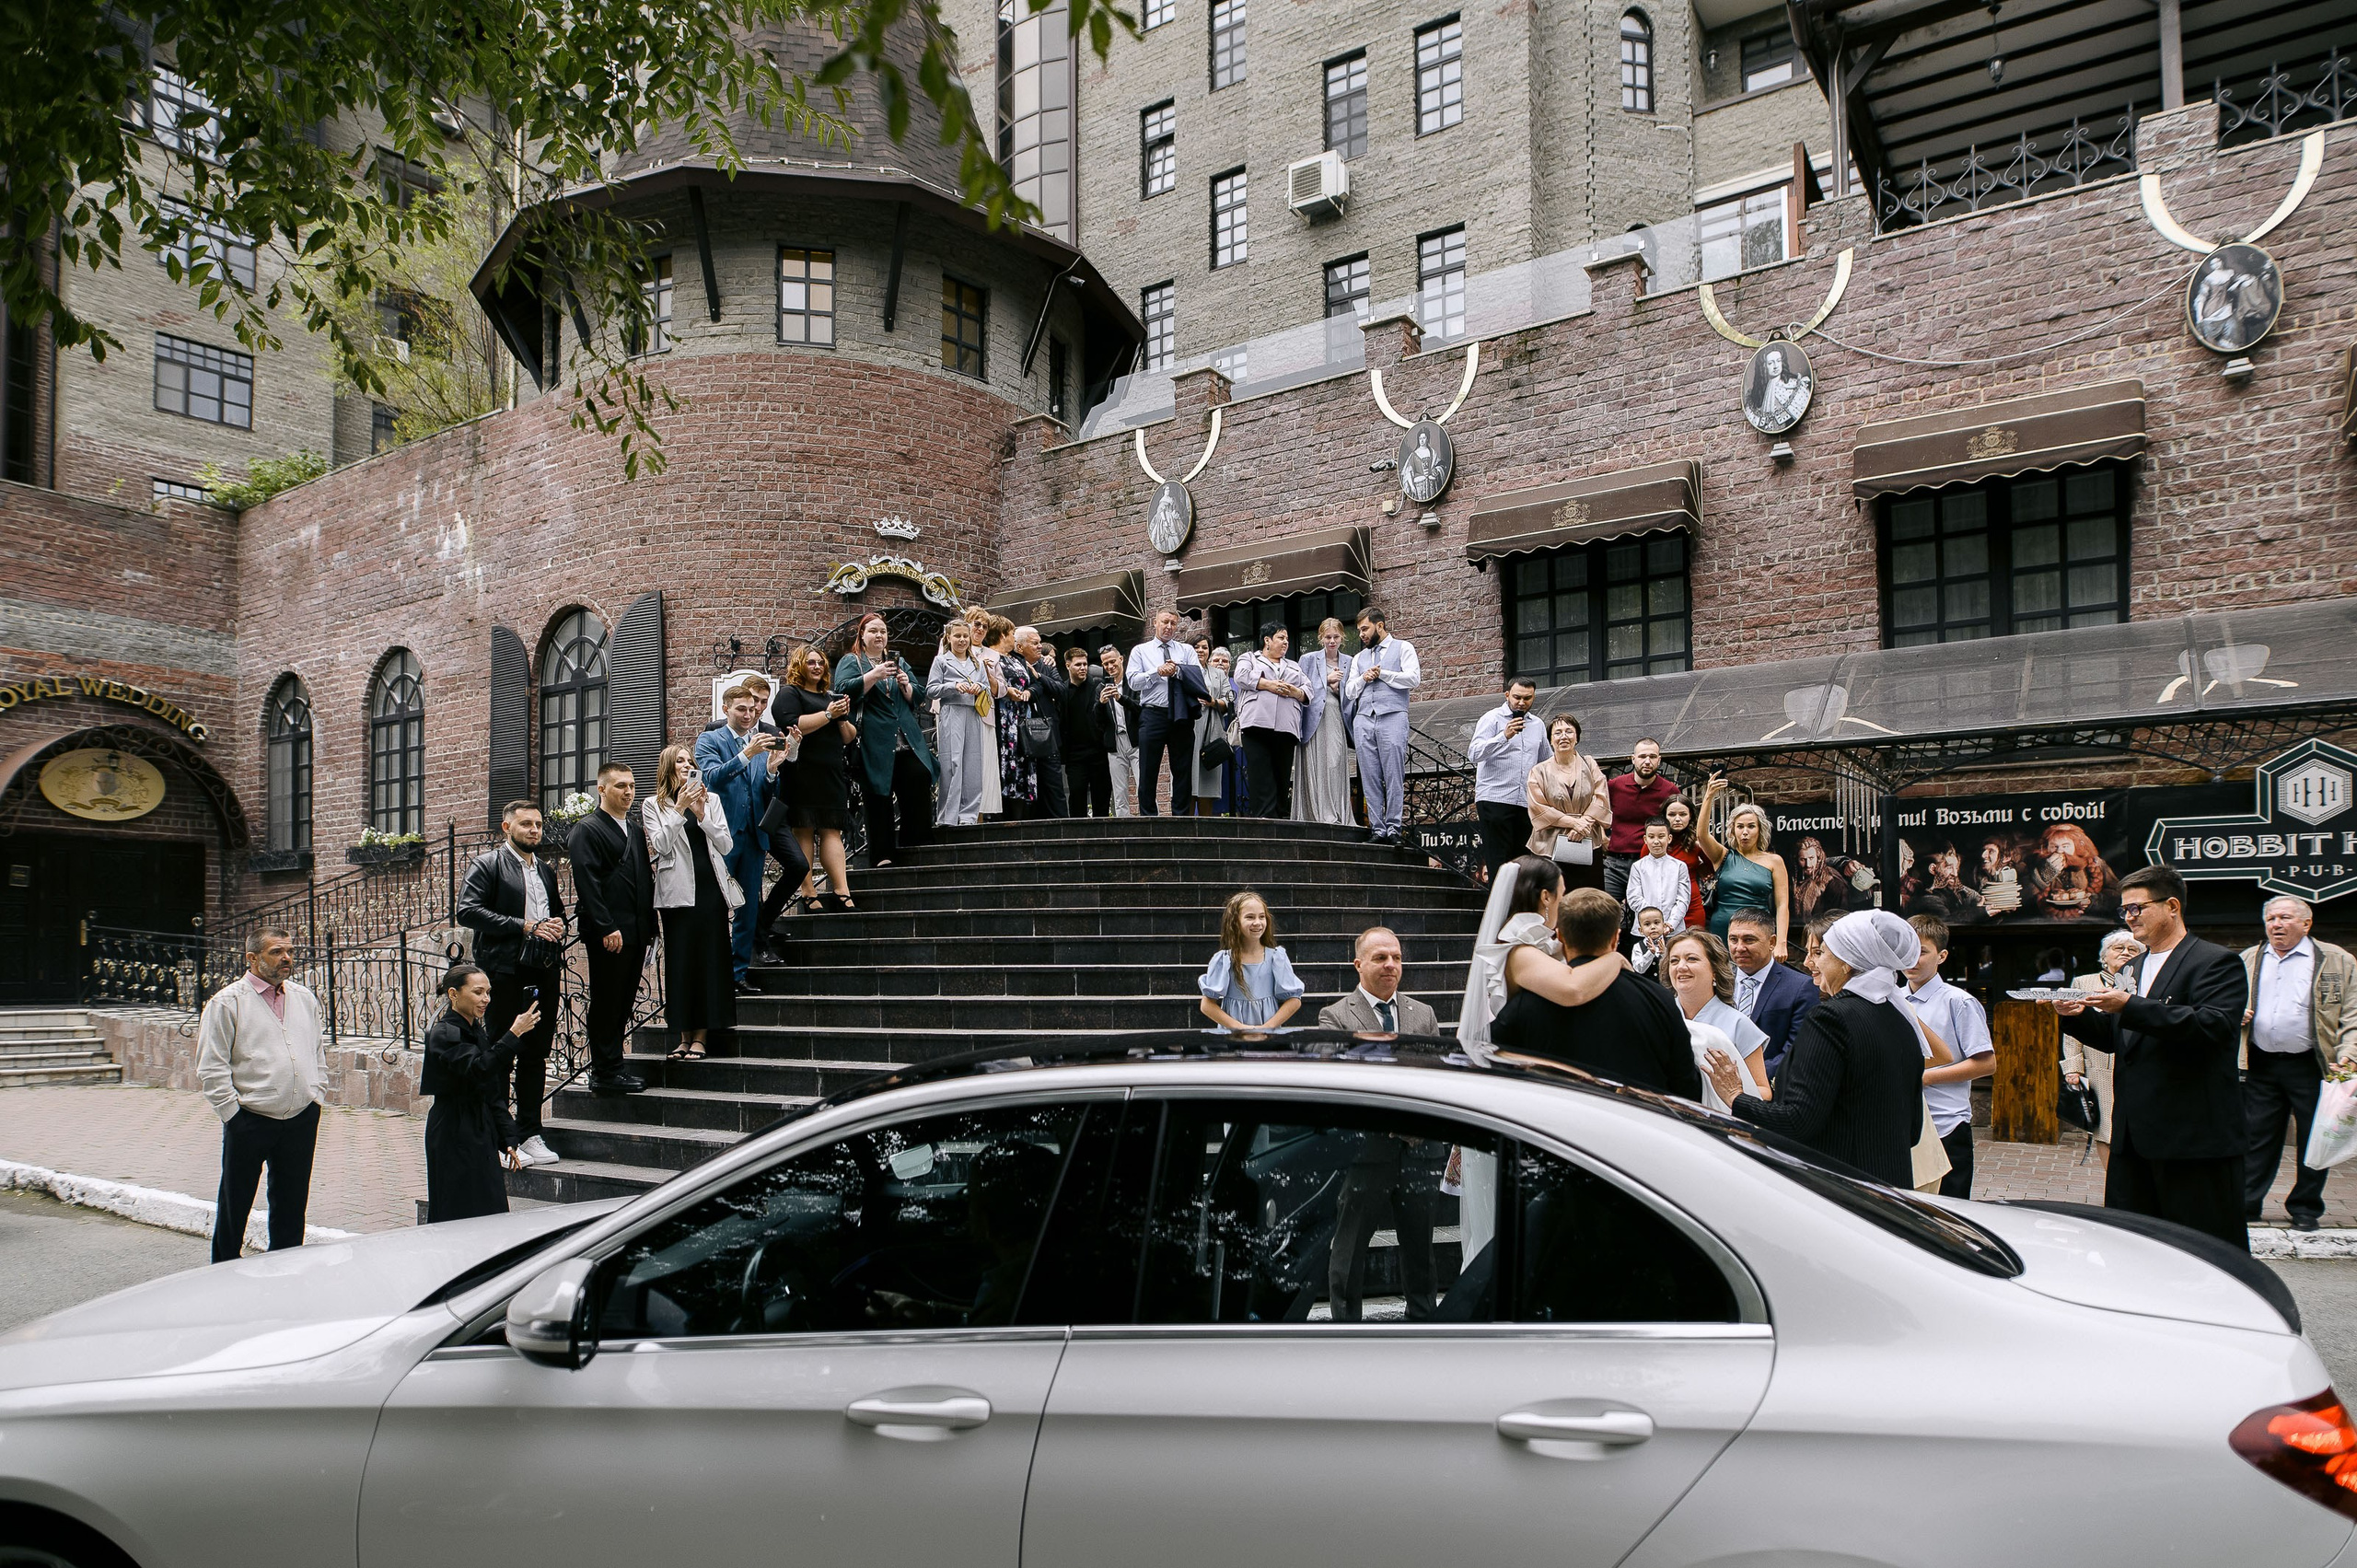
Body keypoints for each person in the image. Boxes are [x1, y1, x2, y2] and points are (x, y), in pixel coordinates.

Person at [2049, 865, 2251, 1251]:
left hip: (2192, 1138)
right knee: (2136, 1245)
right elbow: (2118, 1038)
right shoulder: (2132, 967)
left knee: (2203, 1250)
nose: (2129, 918)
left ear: (2172, 906)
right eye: (2124, 911)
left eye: (2137, 909)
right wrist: (2076, 1018)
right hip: (2133, 1137)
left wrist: (2131, 1005)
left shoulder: (2215, 962)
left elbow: (2215, 1027)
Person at [1703, 910, 1949, 1188]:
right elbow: (1912, 1131)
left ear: (1847, 963)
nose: (1810, 962)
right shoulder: (1899, 1018)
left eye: (1822, 954)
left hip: (1841, 1188)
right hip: (1890, 1188)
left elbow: (1796, 1121)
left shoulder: (1830, 1018)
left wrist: (1735, 1096)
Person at [1492, 886, 1698, 1096]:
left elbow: (1492, 1069)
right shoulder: (1659, 998)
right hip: (1639, 1122)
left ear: (1560, 937)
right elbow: (1686, 1085)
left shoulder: (1528, 1001)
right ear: (1615, 939)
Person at [196, 924, 324, 1262]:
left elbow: (317, 1051)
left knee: (292, 1202)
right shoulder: (227, 1003)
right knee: (235, 1201)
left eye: (290, 951)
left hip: (300, 1117)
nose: (287, 958)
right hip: (249, 1119)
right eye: (276, 952)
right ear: (252, 958)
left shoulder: (304, 998)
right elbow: (211, 1066)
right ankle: (223, 1267)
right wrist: (232, 1115)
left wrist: (316, 1097)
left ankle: (286, 1263)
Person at [455, 799, 567, 1167]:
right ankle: (503, 1141)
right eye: (526, 825)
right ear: (507, 828)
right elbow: (467, 910)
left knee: (536, 1054)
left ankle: (530, 1133)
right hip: (503, 972)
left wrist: (556, 925)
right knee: (503, 1053)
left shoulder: (546, 871)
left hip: (543, 969)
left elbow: (557, 912)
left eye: (538, 824)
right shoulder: (487, 864)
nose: (534, 830)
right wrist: (524, 925)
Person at [2240, 896, 2357, 1232]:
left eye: (2285, 918)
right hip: (2260, 1062)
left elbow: (2352, 1013)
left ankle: (2305, 1207)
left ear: (2306, 924)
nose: (2276, 924)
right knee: (2257, 1136)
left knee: (2314, 1137)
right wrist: (2237, 1014)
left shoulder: (2336, 959)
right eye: (2271, 918)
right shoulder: (2249, 958)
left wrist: (2348, 1053)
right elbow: (2226, 1002)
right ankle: (2248, 1203)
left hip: (2314, 1065)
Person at [1454, 854, 1627, 1062]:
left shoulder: (1532, 943)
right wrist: (1615, 959)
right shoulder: (1518, 951)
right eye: (1561, 895)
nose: (1563, 904)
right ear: (1546, 897)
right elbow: (1573, 988)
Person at [645, 741, 741, 1062]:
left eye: (690, 761)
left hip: (710, 889)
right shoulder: (653, 805)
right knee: (681, 962)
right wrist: (678, 810)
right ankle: (682, 1037)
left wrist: (702, 815)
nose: (687, 766)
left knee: (708, 961)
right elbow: (660, 845)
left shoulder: (710, 799)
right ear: (668, 768)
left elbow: (726, 845)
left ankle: (701, 1038)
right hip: (677, 894)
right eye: (680, 762)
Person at [567, 761, 652, 1097]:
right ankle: (604, 1071)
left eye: (631, 786)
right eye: (620, 786)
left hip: (635, 930)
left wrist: (650, 928)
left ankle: (614, 1066)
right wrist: (606, 926)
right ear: (601, 789)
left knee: (624, 1000)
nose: (628, 792)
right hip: (609, 933)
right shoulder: (586, 829)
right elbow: (586, 883)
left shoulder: (634, 829)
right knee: (606, 1000)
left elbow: (644, 880)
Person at [421, 964, 530, 1223]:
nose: (486, 999)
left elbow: (491, 1090)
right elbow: (478, 1069)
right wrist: (513, 1033)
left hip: (479, 1128)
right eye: (478, 992)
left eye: (488, 992)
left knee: (490, 1205)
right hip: (453, 1129)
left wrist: (508, 1138)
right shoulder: (444, 1033)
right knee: (457, 1208)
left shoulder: (475, 1030)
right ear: (453, 994)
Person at [692, 683, 784, 986]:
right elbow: (712, 777)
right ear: (725, 710)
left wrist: (771, 772)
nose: (749, 714)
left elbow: (764, 790)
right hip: (722, 835)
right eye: (741, 709)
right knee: (716, 905)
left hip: (754, 836)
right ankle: (712, 974)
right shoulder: (710, 740)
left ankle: (738, 974)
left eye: (753, 709)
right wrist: (746, 753)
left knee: (748, 908)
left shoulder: (760, 744)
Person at [1906, 914, 1995, 1200]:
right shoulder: (1891, 998)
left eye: (1922, 951)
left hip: (1946, 1124)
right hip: (1903, 1123)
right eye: (1906, 949)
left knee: (1949, 1212)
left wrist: (1925, 1078)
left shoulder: (1959, 1001)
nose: (1912, 959)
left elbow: (1986, 1063)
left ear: (1942, 955)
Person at [836, 611, 936, 865]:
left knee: (918, 778)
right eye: (873, 631)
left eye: (883, 631)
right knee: (878, 794)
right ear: (862, 635)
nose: (879, 635)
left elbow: (919, 696)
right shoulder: (853, 661)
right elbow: (842, 691)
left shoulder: (899, 661)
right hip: (875, 739)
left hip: (906, 740)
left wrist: (906, 685)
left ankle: (917, 847)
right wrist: (874, 676)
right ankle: (882, 856)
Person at [779, 645, 860, 910]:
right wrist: (828, 714)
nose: (817, 667)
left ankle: (842, 890)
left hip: (832, 772)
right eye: (811, 662)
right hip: (803, 771)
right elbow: (792, 724)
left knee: (832, 829)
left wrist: (840, 718)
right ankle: (808, 891)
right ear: (799, 666)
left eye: (821, 663)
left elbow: (849, 737)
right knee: (804, 828)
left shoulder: (829, 696)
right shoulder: (790, 693)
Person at [1666, 929, 1773, 1112]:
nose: (1681, 967)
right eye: (1674, 961)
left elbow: (1764, 1091)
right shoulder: (1661, 1017)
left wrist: (1729, 1090)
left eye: (1692, 959)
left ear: (1714, 971)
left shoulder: (1738, 1024)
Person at [2061, 929, 2143, 1169]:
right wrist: (2073, 1067)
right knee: (2105, 1128)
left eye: (2133, 949)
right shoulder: (2084, 982)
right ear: (2104, 956)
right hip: (2100, 1069)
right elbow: (2072, 1029)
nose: (2126, 953)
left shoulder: (2147, 982)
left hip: (2135, 1065)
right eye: (2118, 949)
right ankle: (2112, 1182)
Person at [1346, 607, 1419, 844]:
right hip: (1364, 718)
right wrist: (1362, 678)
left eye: (1365, 629)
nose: (1361, 635)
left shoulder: (1403, 648)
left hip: (1393, 715)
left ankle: (1394, 828)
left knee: (1394, 773)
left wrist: (1384, 674)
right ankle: (1377, 829)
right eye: (1359, 631)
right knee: (1369, 775)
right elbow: (1348, 691)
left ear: (1380, 625)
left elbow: (1413, 678)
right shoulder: (1358, 658)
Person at [1698, 775, 1789, 960]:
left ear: (1760, 829)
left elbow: (1782, 905)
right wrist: (1708, 796)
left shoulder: (1774, 861)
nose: (1745, 831)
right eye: (1740, 826)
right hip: (1722, 930)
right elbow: (1701, 834)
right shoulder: (1722, 856)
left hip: (1757, 929)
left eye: (1750, 826)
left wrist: (1781, 941)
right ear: (1733, 830)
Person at [1468, 678, 1550, 879]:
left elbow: (1546, 762)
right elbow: (1474, 753)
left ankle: (1517, 909)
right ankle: (1499, 910)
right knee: (1499, 862)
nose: (1522, 702)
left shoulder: (1537, 724)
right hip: (1495, 798)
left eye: (1527, 698)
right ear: (1507, 695)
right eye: (1517, 697)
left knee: (1522, 863)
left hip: (1525, 802)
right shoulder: (1492, 718)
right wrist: (1504, 736)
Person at [1124, 610, 1202, 816]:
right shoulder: (1141, 651)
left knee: (1182, 769)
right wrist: (1156, 672)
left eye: (1173, 623)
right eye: (1165, 622)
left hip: (1180, 714)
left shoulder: (1186, 650)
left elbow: (1198, 675)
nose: (1169, 627)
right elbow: (1132, 680)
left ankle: (1181, 817)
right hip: (1152, 714)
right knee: (1148, 769)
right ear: (1155, 623)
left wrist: (1177, 671)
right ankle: (1148, 818)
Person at [1725, 908, 1818, 1080]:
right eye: (1733, 939)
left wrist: (1748, 1077)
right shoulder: (1717, 982)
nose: (1739, 948)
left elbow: (1797, 1050)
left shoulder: (1801, 987)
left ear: (1772, 942)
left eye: (1749, 940)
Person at [1196, 890, 1306, 1031]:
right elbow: (1206, 1005)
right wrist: (1240, 1028)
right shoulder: (1224, 961)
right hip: (1233, 1034)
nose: (1257, 922)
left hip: (1268, 1035)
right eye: (1250, 917)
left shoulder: (1276, 958)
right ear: (1235, 922)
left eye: (1262, 917)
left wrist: (1266, 1028)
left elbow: (1294, 1000)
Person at [1233, 622, 1311, 819]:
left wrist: (1296, 691)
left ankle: (1281, 817)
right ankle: (1264, 819)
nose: (1286, 642)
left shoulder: (1293, 665)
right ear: (1267, 640)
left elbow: (1309, 690)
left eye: (1287, 638)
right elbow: (1240, 676)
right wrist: (1268, 685)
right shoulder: (1249, 658)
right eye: (1281, 638)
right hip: (1256, 724)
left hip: (1286, 726)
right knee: (1260, 773)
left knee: (1282, 774)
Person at [1524, 713, 1608, 889]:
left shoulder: (1590, 764)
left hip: (1587, 842)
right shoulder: (1538, 771)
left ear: (1576, 737)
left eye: (1569, 731)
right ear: (1551, 740)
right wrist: (1574, 823)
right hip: (1548, 847)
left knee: (1588, 901)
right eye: (1558, 732)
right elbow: (1538, 808)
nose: (1564, 736)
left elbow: (1601, 796)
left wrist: (1584, 823)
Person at [928, 617, 997, 827]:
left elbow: (987, 688)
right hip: (952, 712)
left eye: (965, 636)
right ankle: (948, 816)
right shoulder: (941, 661)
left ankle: (968, 816)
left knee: (972, 763)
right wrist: (953, 686)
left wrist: (979, 688)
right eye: (957, 636)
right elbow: (931, 689)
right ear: (949, 638)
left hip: (973, 713)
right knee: (952, 763)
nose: (962, 640)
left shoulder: (976, 662)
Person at [1317, 926, 1440, 1034]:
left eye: (1396, 958)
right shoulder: (1335, 1017)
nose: (1391, 965)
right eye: (1380, 958)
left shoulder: (1425, 1014)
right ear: (1359, 965)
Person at [1295, 617, 1356, 828]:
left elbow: (1353, 694)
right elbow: (1300, 688)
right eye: (1328, 637)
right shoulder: (1308, 659)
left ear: (1342, 638)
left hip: (1336, 716)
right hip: (1314, 719)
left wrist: (1340, 690)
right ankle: (1316, 814)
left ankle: (1337, 812)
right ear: (1320, 638)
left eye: (1336, 637)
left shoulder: (1350, 661)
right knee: (1315, 763)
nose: (1332, 641)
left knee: (1335, 761)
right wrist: (1327, 682)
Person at [1602, 738, 1678, 904]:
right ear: (1633, 758)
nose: (1647, 761)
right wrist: (1601, 836)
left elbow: (1679, 825)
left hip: (1651, 864)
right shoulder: (1614, 786)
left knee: (1649, 917)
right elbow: (1596, 812)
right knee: (1606, 913)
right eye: (1642, 756)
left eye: (1652, 756)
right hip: (1615, 864)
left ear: (1659, 760)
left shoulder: (1670, 791)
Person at [983, 616, 1041, 818]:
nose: (1013, 636)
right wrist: (1008, 691)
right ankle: (1001, 813)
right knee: (1006, 763)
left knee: (1022, 762)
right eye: (1011, 632)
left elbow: (1033, 683)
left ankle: (1020, 814)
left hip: (1021, 718)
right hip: (1003, 717)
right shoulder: (989, 657)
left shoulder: (1016, 659)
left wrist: (1028, 691)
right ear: (1002, 635)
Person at [1013, 625, 1072, 818]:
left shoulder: (1046, 665)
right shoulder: (1012, 664)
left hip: (1047, 735)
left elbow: (1062, 690)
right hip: (1020, 736)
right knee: (1026, 788)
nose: (1040, 647)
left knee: (1054, 787)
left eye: (1040, 643)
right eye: (1035, 643)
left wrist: (1039, 676)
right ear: (1019, 647)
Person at [1056, 644, 1119, 817]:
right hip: (1075, 755)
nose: (1083, 668)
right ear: (1068, 665)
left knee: (1102, 800)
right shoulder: (1063, 690)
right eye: (1078, 664)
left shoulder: (1097, 684)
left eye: (1085, 664)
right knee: (1076, 798)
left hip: (1099, 752)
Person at [1624, 816, 1693, 939]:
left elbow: (1683, 899)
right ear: (1645, 839)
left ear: (1669, 838)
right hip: (1643, 930)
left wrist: (1671, 924)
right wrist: (1653, 922)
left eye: (1661, 836)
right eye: (1651, 837)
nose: (1656, 841)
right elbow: (1634, 897)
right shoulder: (1638, 866)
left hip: (1674, 930)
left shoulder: (1679, 866)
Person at [1191, 646, 1238, 816]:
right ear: (1210, 662)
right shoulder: (1197, 674)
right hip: (1197, 731)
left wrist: (1215, 702)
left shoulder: (1233, 683)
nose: (1220, 664)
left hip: (1223, 741)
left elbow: (1230, 702)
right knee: (1192, 779)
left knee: (1216, 783)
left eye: (1224, 661)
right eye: (1216, 660)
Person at [1100, 645, 1141, 816]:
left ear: (1121, 659)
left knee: (1144, 788)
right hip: (1115, 743)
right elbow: (1098, 722)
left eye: (1112, 661)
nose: (1110, 666)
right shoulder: (1101, 687)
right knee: (1119, 794)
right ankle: (1124, 830)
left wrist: (1121, 698)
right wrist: (1100, 704)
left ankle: (1153, 827)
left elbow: (1141, 709)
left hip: (1136, 741)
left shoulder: (1134, 683)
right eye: (1105, 664)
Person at [1661, 795, 1710, 931]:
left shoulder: (1697, 843)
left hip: (1692, 906)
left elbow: (1714, 866)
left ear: (1690, 816)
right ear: (1664, 816)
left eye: (1682, 814)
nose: (1677, 819)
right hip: (1663, 907)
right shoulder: (1654, 842)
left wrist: (1700, 867)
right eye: (1671, 814)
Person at [1629, 905, 1674, 981]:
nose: (1653, 927)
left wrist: (1665, 953)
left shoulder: (1672, 943)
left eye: (1656, 923)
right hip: (1648, 988)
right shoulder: (1638, 947)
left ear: (1664, 926)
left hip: (1668, 988)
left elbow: (1676, 965)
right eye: (1647, 924)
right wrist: (1650, 953)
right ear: (1641, 930)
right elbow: (1639, 969)